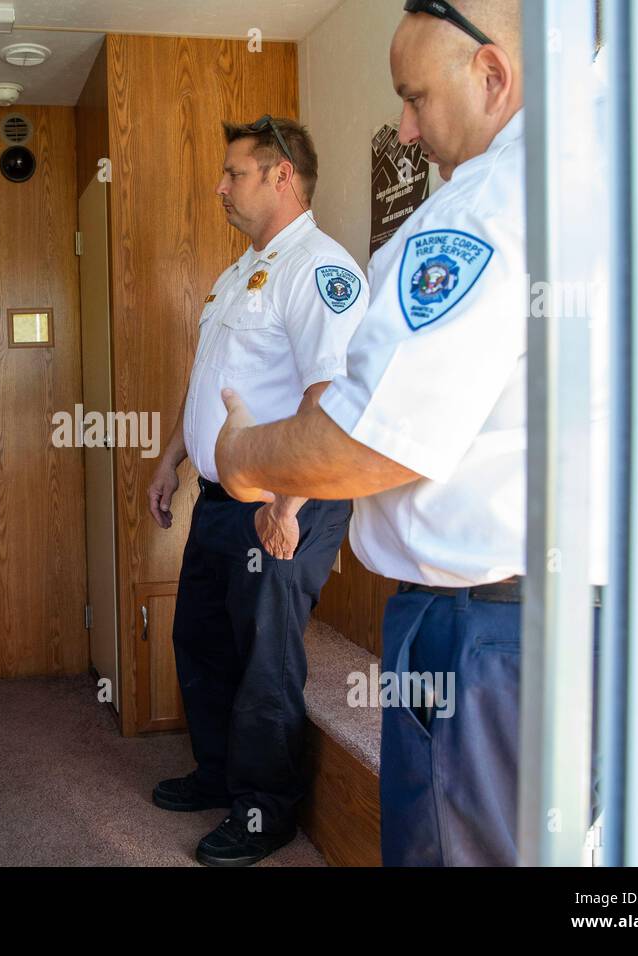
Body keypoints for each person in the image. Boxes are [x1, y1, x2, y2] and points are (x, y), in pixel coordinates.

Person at [213, 0, 638, 865]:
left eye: (413, 98)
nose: (406, 131)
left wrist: (241, 458)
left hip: (502, 649)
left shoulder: (494, 199)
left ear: (493, 75)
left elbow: (371, 440)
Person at [145, 116, 367, 867]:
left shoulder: (320, 268)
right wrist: (172, 457)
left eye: (234, 173)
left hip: (281, 503)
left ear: (281, 177)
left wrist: (288, 505)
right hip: (219, 495)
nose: (220, 187)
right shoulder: (241, 270)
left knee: (264, 655)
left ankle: (265, 810)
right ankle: (220, 774)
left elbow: (330, 394)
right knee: (200, 637)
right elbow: (213, 382)